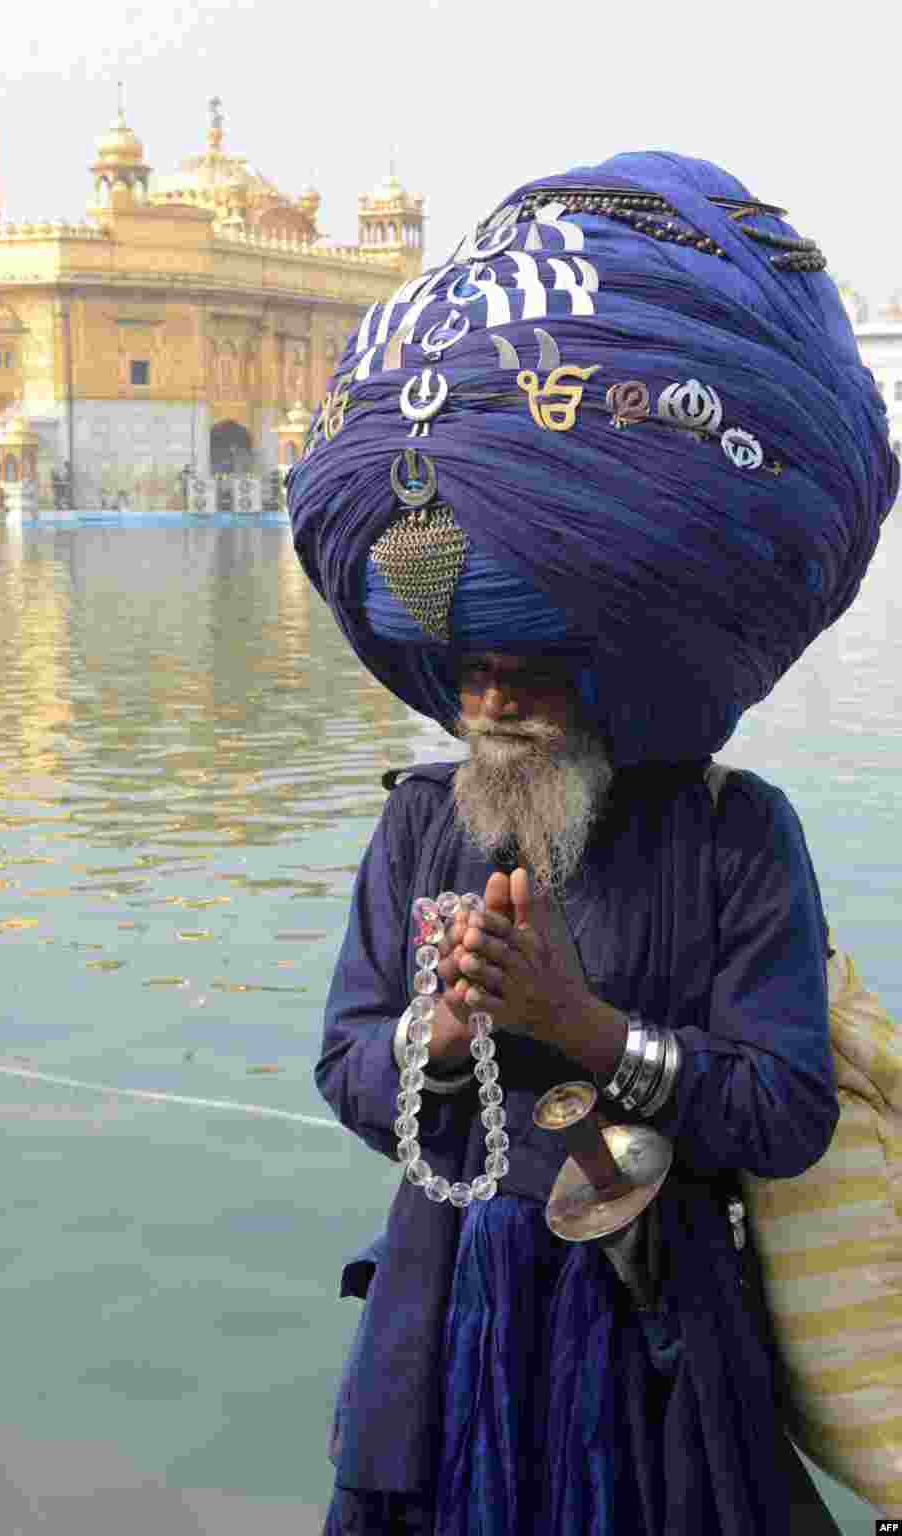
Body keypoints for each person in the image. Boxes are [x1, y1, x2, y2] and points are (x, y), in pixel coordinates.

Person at [287, 151, 897, 1535]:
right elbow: (346, 1063)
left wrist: (583, 1021)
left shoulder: (737, 837)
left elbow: (787, 1114)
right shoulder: (415, 825)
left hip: (659, 1345)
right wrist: (438, 1040)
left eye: (527, 670)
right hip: (444, 1330)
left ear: (612, 661)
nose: (489, 705)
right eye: (470, 673)